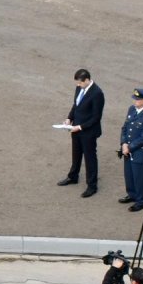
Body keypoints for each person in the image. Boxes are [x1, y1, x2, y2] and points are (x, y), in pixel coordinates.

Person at [58, 68, 105, 197]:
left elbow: (96, 117)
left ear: (87, 80)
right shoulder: (79, 88)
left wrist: (80, 127)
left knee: (90, 158)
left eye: (80, 83)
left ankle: (92, 186)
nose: (78, 85)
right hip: (75, 128)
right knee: (76, 153)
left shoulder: (97, 93)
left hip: (88, 131)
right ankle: (73, 176)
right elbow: (76, 105)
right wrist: (69, 118)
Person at [118, 86, 143, 212]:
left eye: (138, 99)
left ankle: (140, 201)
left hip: (139, 153)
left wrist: (129, 147)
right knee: (129, 175)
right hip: (127, 150)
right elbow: (125, 128)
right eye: (135, 99)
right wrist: (123, 143)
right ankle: (132, 194)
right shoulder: (131, 110)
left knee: (139, 177)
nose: (135, 101)